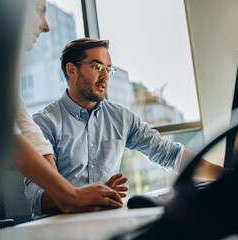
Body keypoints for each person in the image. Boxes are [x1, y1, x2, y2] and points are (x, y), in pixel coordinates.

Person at [25, 38, 224, 216]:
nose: (105, 77)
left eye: (108, 69)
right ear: (72, 70)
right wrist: (90, 194)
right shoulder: (44, 123)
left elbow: (169, 154)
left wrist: (228, 176)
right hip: (57, 229)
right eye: (97, 67)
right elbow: (37, 200)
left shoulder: (120, 117)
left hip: (105, 220)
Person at [13, 0, 125, 214]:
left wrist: (67, 195)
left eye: (108, 69)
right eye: (38, 11)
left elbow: (28, 134)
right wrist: (69, 195)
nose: (46, 26)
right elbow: (10, 140)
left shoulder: (119, 116)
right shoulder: (48, 120)